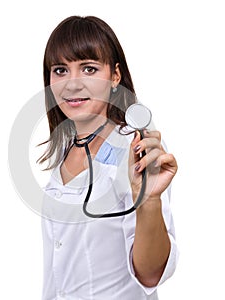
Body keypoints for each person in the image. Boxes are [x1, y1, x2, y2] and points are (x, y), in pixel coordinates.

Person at [37, 15, 178, 300]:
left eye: (88, 68)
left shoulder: (135, 149)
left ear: (115, 76)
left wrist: (149, 201)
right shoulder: (65, 153)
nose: (72, 84)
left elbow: (150, 274)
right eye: (60, 70)